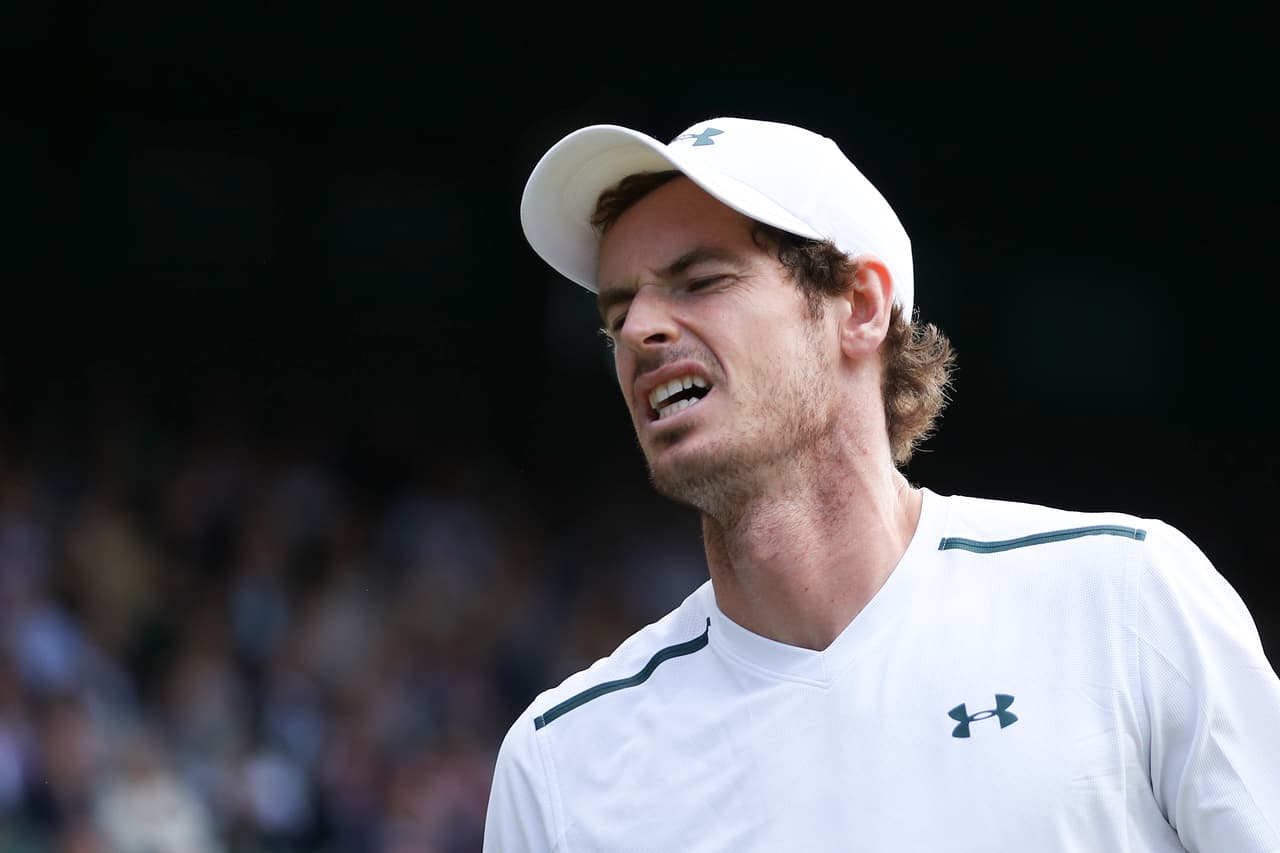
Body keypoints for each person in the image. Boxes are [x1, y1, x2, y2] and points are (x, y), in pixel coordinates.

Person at [483, 116, 1280, 851]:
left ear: (860, 307)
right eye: (618, 309)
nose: (639, 331)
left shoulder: (1125, 601)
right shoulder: (562, 765)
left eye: (701, 280)